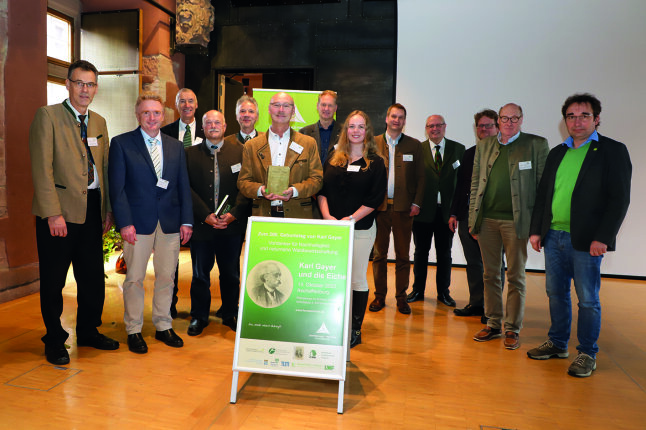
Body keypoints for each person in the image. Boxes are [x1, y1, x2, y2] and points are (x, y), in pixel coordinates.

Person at [527, 93, 631, 377]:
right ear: (565, 121)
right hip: (554, 236)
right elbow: (544, 195)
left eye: (584, 115)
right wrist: (537, 230)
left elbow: (619, 199)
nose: (577, 121)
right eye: (571, 116)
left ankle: (587, 352)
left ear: (596, 119)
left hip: (587, 240)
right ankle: (558, 343)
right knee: (555, 293)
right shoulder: (557, 152)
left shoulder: (612, 151)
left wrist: (604, 237)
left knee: (587, 299)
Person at [29, 60, 119, 365]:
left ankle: (89, 330)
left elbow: (104, 169)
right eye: (79, 83)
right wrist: (52, 213)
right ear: (67, 84)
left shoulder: (99, 122)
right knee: (54, 278)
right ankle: (54, 338)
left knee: (92, 275)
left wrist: (106, 211)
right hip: (60, 212)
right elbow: (42, 168)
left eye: (90, 84)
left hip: (93, 210)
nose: (85, 89)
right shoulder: (48, 116)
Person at [109, 93, 193, 354]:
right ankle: (134, 329)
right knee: (134, 278)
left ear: (163, 115)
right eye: (146, 113)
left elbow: (183, 186)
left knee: (167, 277)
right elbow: (118, 189)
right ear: (138, 115)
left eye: (156, 113)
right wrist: (125, 223)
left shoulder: (175, 146)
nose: (152, 118)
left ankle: (163, 325)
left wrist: (187, 221)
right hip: (137, 223)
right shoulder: (122, 144)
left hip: (169, 222)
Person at [469, 103, 549, 350]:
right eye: (505, 118)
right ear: (498, 120)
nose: (510, 122)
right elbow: (475, 184)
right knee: (490, 274)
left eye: (515, 118)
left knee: (515, 276)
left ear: (521, 119)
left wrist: (537, 226)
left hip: (517, 222)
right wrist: (473, 219)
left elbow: (543, 189)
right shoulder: (484, 145)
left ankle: (512, 328)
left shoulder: (535, 145)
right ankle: (493, 323)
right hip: (488, 221)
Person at [318, 110, 387, 347]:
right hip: (332, 229)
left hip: (360, 229)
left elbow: (376, 198)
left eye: (360, 126)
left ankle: (355, 331)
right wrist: (327, 217)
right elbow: (322, 191)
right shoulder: (333, 159)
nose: (355, 131)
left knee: (357, 279)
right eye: (351, 126)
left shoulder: (376, 164)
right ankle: (332, 325)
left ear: (366, 131)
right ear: (345, 130)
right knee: (332, 279)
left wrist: (350, 219)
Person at [185, 110, 250, 334]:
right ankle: (199, 316)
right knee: (200, 275)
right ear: (202, 127)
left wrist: (234, 214)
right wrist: (204, 214)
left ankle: (230, 312)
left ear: (225, 126)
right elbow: (186, 188)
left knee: (231, 273)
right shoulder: (190, 154)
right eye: (208, 123)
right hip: (202, 227)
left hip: (231, 227)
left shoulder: (242, 152)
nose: (213, 126)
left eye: (217, 122)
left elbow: (247, 187)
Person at [370, 103, 425, 315]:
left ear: (404, 121)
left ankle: (401, 297)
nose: (397, 120)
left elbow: (421, 178)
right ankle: (379, 296)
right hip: (379, 209)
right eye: (393, 116)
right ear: (386, 118)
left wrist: (417, 203)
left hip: (404, 209)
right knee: (379, 255)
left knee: (403, 255)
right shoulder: (373, 143)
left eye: (401, 117)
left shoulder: (414, 145)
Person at [450, 109, 504, 321]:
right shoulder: (469, 153)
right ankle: (477, 303)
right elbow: (461, 186)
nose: (484, 129)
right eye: (480, 126)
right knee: (473, 263)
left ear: (497, 127)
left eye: (489, 125)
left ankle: (493, 310)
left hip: (492, 219)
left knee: (493, 265)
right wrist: (454, 213)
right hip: (467, 217)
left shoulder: (503, 153)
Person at [407, 115, 464, 307]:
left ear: (445, 127)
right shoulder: (418, 149)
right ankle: (417, 291)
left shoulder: (458, 149)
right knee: (420, 253)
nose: (434, 129)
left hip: (447, 214)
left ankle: (443, 293)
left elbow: (462, 184)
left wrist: (456, 212)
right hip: (423, 211)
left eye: (438, 125)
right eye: (430, 126)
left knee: (445, 254)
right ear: (426, 129)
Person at [237, 92, 323, 218]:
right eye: (276, 105)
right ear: (269, 109)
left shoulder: (308, 143)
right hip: (263, 216)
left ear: (293, 111)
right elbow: (243, 182)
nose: (281, 110)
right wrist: (261, 190)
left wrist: (294, 191)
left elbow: (317, 180)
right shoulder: (252, 146)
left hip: (297, 216)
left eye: (286, 106)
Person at [160, 88, 205, 318]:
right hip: (172, 203)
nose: (187, 105)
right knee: (170, 261)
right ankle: (169, 306)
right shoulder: (164, 132)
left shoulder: (209, 130)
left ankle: (198, 310)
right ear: (176, 105)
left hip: (200, 203)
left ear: (196, 105)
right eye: (182, 101)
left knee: (199, 263)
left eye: (191, 100)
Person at [299, 90, 342, 164]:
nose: (326, 109)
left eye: (330, 105)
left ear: (335, 108)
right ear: (317, 106)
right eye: (323, 105)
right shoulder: (304, 133)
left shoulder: (345, 132)